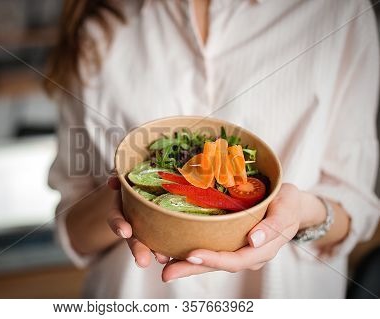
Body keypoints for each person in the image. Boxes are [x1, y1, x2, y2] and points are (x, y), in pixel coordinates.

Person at [46, 0, 379, 298]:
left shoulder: (340, 10)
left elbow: (355, 208)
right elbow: (72, 232)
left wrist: (299, 214)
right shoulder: (99, 26)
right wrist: (137, 199)